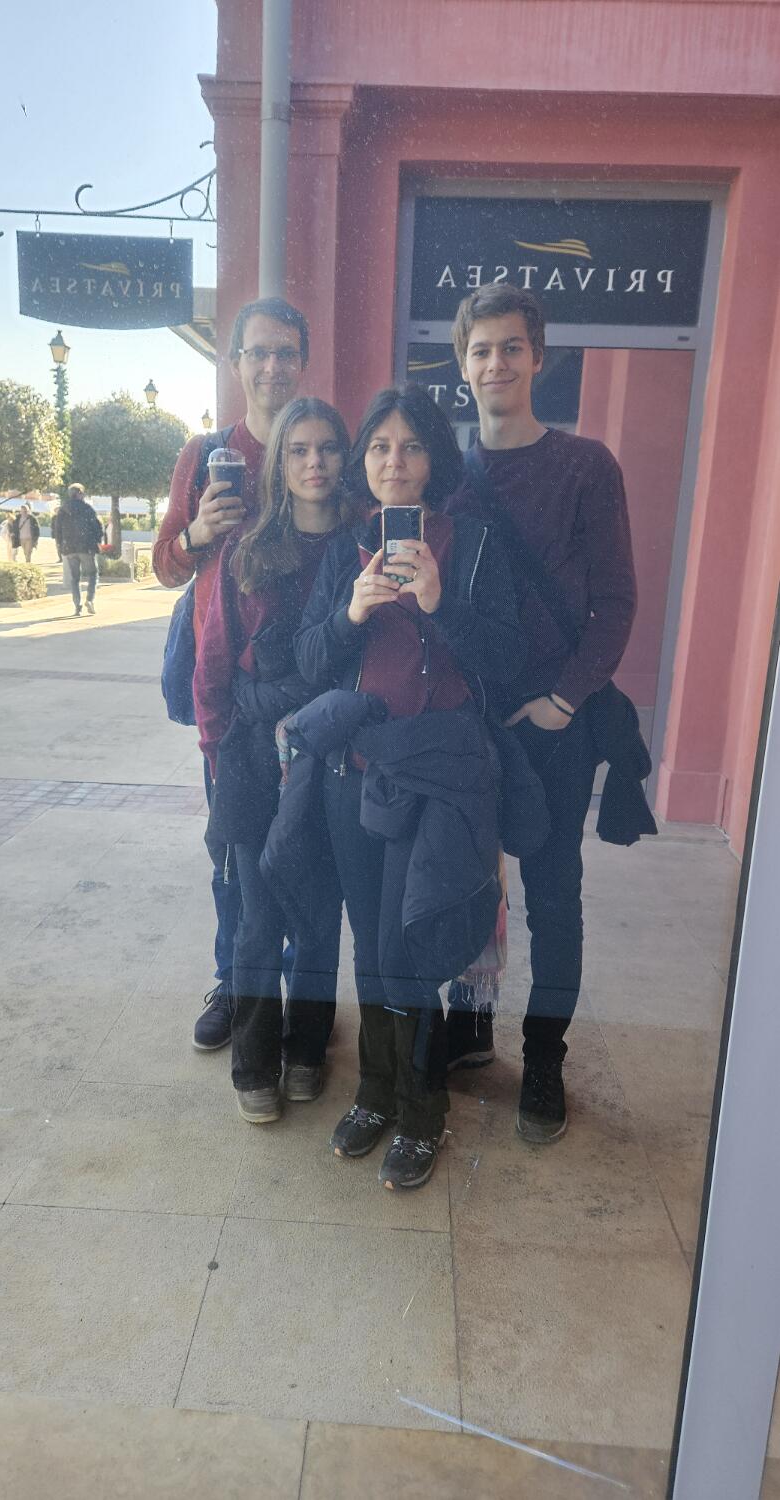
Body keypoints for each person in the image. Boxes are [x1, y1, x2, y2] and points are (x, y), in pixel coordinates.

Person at [294, 385, 523, 1189]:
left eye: (412, 445)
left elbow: (508, 660)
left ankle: (422, 1113)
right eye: (380, 446)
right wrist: (349, 615)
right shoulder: (343, 552)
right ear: (363, 460)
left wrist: (438, 603)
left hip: (440, 780)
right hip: (355, 776)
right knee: (369, 943)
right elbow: (307, 661)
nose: (394, 461)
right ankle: (375, 1093)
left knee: (410, 948)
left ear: (434, 458)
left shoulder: (475, 543)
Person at [448, 283, 637, 1144]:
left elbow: (615, 601)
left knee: (553, 894)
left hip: (554, 725)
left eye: (511, 347)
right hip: (467, 719)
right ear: (462, 365)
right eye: (480, 349)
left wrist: (564, 699)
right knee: (466, 881)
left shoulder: (585, 466)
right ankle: (469, 1024)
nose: (496, 363)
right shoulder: (448, 473)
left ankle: (544, 1058)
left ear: (538, 358)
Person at [153, 297, 310, 1054]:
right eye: (259, 352)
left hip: (305, 684)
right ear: (236, 361)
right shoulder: (207, 452)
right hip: (226, 689)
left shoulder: (316, 446)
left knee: (298, 851)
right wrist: (197, 531)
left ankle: (296, 991)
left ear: (301, 363)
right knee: (232, 849)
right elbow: (163, 565)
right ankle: (235, 981)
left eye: (286, 353)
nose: (272, 366)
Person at [193, 397, 351, 1122]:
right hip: (253, 759)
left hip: (332, 758)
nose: (314, 462)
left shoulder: (362, 544)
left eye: (327, 448)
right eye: (298, 450)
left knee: (318, 915)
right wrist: (216, 750)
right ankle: (254, 1063)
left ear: (344, 457)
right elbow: (215, 662)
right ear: (278, 464)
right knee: (257, 915)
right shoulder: (247, 549)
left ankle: (307, 1048)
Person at [51, 483, 103, 617]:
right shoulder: (87, 509)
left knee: (75, 578)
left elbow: (57, 530)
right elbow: (97, 527)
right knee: (93, 574)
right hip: (86, 547)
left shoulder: (63, 510)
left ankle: (77, 606)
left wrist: (61, 546)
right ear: (80, 494)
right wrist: (97, 541)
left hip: (69, 548)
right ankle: (90, 599)